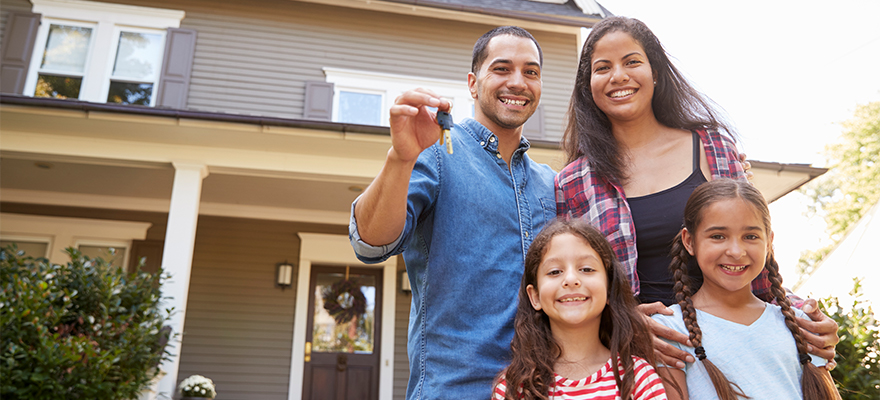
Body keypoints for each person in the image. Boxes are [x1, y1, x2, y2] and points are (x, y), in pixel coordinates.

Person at [554, 16, 839, 370]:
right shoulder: (573, 182)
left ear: (656, 72)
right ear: (588, 85)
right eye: (603, 68)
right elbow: (572, 283)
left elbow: (754, 257)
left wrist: (803, 317)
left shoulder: (714, 147)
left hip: (731, 346)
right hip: (641, 359)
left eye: (632, 62)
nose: (618, 76)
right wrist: (622, 323)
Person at [349, 26, 556, 399]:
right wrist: (401, 158)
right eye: (502, 69)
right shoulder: (435, 153)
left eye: (531, 72)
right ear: (473, 84)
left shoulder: (550, 183)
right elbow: (369, 243)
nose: (518, 82)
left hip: (543, 389)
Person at [651, 179, 840, 400]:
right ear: (690, 241)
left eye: (750, 236)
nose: (736, 251)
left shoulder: (799, 324)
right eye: (718, 236)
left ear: (768, 243)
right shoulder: (669, 330)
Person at [493, 218, 666, 400]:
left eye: (586, 269)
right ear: (535, 296)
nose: (571, 279)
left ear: (609, 289)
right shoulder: (514, 387)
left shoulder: (639, 379)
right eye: (554, 272)